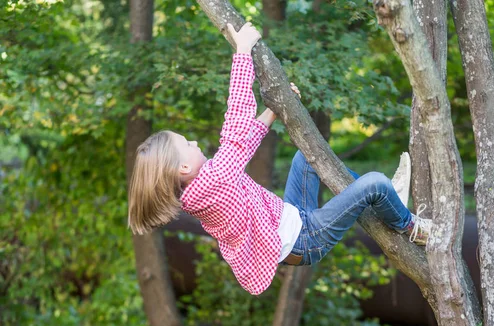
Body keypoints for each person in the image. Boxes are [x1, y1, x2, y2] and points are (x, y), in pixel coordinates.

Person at [128, 22, 431, 295]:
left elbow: (242, 146)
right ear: (183, 167)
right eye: (187, 143)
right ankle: (411, 226)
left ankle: (384, 200)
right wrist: (243, 51)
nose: (193, 142)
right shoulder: (213, 182)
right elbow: (235, 127)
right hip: (306, 239)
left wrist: (272, 111)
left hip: (292, 218)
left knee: (307, 157)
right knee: (375, 183)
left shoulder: (205, 188)